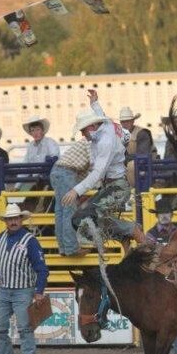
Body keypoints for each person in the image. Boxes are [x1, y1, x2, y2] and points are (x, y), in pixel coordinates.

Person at [64, 90, 147, 251]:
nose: (82, 134)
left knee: (86, 216)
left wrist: (76, 190)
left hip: (116, 188)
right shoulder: (106, 126)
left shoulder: (105, 142)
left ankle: (130, 230)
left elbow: (97, 173)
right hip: (114, 186)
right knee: (94, 217)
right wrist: (94, 103)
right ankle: (126, 235)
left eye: (83, 130)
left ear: (93, 126)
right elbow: (102, 116)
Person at [0, 203, 49, 354]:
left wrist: (38, 291)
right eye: (10, 219)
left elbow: (42, 269)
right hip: (3, 289)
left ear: (21, 220)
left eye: (15, 218)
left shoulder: (31, 241)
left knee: (25, 328)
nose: (13, 221)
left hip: (23, 290)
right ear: (6, 221)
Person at [50, 133, 92, 257]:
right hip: (67, 173)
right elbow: (94, 163)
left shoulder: (87, 141)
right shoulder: (93, 142)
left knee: (61, 211)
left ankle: (63, 248)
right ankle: (71, 248)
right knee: (69, 210)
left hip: (58, 171)